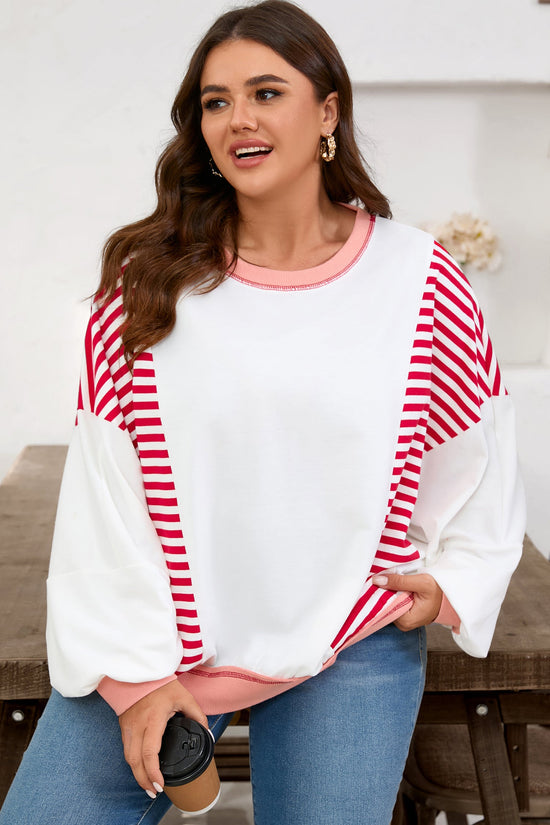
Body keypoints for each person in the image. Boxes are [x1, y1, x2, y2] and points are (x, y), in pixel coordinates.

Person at [0, 2, 525, 824]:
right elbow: (106, 490)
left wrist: (452, 580)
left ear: (328, 111)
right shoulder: (150, 282)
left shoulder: (419, 280)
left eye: (266, 92)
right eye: (216, 102)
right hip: (160, 642)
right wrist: (137, 681)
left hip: (349, 636)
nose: (238, 118)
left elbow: (476, 444)